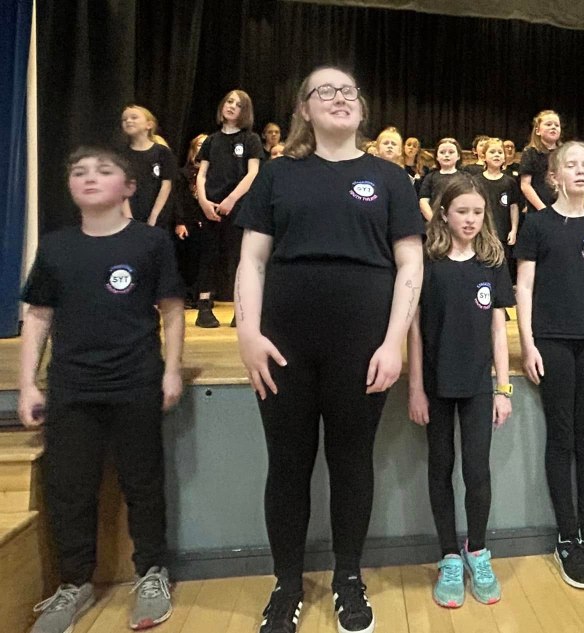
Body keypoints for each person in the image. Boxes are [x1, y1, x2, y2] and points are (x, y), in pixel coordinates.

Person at [234, 65, 423, 633]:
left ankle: (347, 578)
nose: (340, 98)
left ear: (361, 110)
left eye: (349, 91)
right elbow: (252, 260)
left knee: (351, 463)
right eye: (326, 91)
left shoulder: (389, 179)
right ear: (305, 109)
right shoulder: (276, 174)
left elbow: (411, 263)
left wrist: (393, 343)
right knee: (287, 466)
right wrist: (247, 333)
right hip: (283, 347)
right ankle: (287, 584)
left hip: (364, 346)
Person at [19, 147, 184, 633]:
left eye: (104, 171)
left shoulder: (150, 244)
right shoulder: (55, 246)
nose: (89, 178)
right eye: (78, 172)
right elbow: (39, 316)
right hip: (72, 387)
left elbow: (172, 310)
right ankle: (74, 583)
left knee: (143, 483)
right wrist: (28, 382)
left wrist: (172, 370)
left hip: (135, 380)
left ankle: (152, 573)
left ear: (129, 187)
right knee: (70, 489)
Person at [515, 141, 584, 590]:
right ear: (554, 176)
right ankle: (566, 540)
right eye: (570, 166)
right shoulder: (538, 225)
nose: (580, 171)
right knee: (561, 439)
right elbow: (523, 289)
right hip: (553, 343)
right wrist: (527, 345)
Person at [407, 173, 514, 608]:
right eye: (462, 211)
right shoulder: (426, 260)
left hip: (477, 385)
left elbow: (498, 329)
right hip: (434, 384)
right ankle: (449, 555)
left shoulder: (492, 260)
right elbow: (413, 330)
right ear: (443, 213)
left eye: (477, 212)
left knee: (477, 471)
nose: (470, 219)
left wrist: (503, 388)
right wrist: (415, 387)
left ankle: (478, 551)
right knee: (440, 467)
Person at [195, 89, 262, 328]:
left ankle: (240, 308)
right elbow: (202, 174)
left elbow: (253, 173)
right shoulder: (212, 140)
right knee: (209, 256)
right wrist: (203, 200)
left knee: (238, 257)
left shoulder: (249, 139)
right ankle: (204, 307)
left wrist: (232, 199)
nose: (232, 106)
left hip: (238, 206)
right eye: (229, 101)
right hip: (210, 207)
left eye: (239, 104)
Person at [121, 105, 176, 226]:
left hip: (155, 215)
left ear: (149, 125)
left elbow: (166, 185)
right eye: (124, 119)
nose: (128, 121)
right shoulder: (121, 154)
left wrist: (154, 216)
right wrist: (129, 218)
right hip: (127, 215)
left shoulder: (162, 152)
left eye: (134, 117)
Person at [474, 138, 519, 284]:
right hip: (481, 232)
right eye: (492, 152)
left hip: (503, 233)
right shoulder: (476, 180)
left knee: (501, 268)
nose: (497, 155)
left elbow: (513, 206)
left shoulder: (509, 181)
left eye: (500, 152)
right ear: (484, 156)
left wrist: (513, 230)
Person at [172, 133, 208, 306]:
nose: (202, 147)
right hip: (188, 221)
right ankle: (186, 295)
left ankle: (202, 295)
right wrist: (180, 222)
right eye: (200, 145)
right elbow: (178, 200)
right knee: (188, 260)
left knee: (205, 259)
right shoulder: (183, 174)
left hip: (208, 220)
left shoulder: (213, 174)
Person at [519, 110, 562, 213]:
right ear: (538, 131)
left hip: (562, 208)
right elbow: (525, 185)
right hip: (539, 209)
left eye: (557, 125)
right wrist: (543, 209)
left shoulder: (564, 153)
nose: (553, 127)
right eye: (548, 124)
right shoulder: (530, 152)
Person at [418, 137, 462, 222]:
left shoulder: (465, 177)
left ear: (458, 156)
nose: (446, 155)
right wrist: (434, 221)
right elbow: (423, 201)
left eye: (451, 152)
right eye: (442, 152)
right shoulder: (430, 177)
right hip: (434, 224)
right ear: (437, 157)